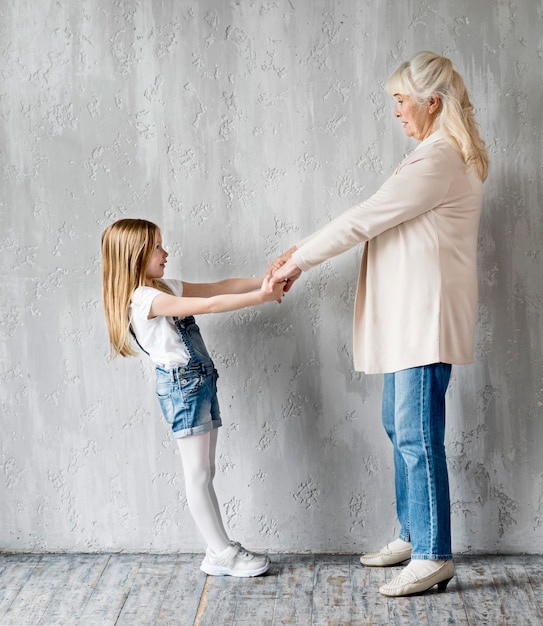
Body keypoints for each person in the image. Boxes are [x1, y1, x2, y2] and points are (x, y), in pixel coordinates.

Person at [268, 51, 489, 597]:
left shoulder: (438, 160)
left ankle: (434, 552)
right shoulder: (430, 156)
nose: (395, 112)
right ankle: (414, 534)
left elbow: (365, 217)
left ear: (430, 102)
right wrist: (303, 250)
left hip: (423, 321)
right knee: (399, 426)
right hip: (406, 322)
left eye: (399, 101)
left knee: (418, 436)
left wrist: (298, 259)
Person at [101, 218, 285, 577]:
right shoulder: (146, 299)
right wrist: (261, 297)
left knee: (206, 471)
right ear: (135, 254)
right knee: (198, 474)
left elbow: (217, 287)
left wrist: (264, 279)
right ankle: (221, 552)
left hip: (198, 383)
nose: (165, 252)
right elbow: (211, 305)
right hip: (182, 387)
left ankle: (220, 549)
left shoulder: (161, 287)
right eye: (157, 246)